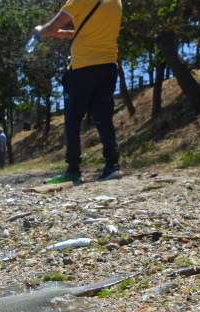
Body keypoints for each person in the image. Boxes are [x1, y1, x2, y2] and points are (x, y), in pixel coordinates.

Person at [34, 0, 124, 183]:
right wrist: (63, 35)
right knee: (103, 117)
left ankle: (73, 168)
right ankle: (112, 165)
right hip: (108, 65)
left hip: (83, 66)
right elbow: (90, 31)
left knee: (73, 119)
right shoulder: (116, 1)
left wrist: (40, 30)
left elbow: (48, 29)